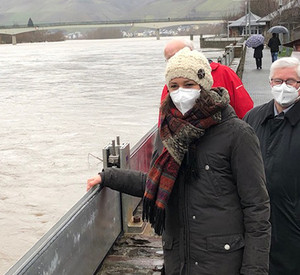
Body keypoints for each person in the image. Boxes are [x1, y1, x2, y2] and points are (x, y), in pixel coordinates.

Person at [87, 48, 271, 275]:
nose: (180, 92)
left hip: (222, 262)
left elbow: (257, 208)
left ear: (204, 86)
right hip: (179, 261)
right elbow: (156, 181)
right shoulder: (167, 133)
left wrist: (254, 270)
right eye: (174, 86)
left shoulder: (237, 134)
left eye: (188, 84)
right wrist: (108, 177)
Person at [243, 57, 300, 275]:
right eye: (278, 81)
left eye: (291, 81)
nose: (283, 86)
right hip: (257, 224)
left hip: (292, 226)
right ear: (270, 83)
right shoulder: (253, 118)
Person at [160, 38, 253, 120]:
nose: (177, 60)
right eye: (170, 58)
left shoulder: (224, 73)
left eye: (180, 55)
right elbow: (163, 120)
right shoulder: (170, 87)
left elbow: (246, 112)